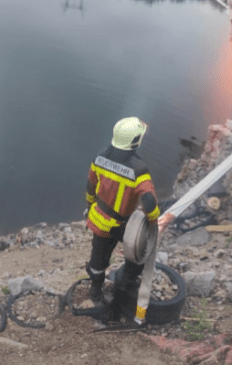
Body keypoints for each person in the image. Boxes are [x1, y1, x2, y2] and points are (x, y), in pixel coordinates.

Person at [84, 117, 160, 323]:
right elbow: (150, 203)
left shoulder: (99, 158)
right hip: (124, 225)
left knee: (98, 257)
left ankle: (96, 290)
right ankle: (123, 290)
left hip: (100, 220)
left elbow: (91, 186)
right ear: (136, 141)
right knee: (135, 258)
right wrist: (153, 222)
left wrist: (91, 203)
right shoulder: (138, 170)